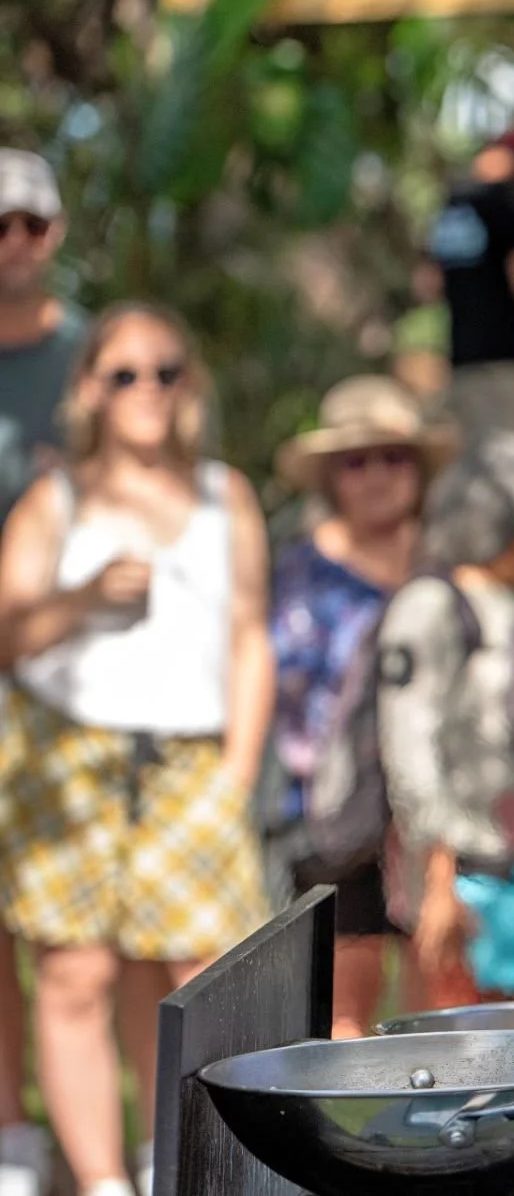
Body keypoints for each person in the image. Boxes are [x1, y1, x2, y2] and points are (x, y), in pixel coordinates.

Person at [0, 303, 273, 1196]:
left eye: (166, 370)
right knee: (75, 974)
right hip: (68, 759)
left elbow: (249, 640)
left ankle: (179, 1162)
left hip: (192, 761)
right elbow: (9, 634)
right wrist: (78, 600)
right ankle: (100, 1180)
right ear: (88, 389)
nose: (148, 389)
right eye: (124, 373)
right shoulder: (57, 497)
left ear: (189, 384)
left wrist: (237, 772)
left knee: (199, 974)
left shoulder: (223, 494)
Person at [267, 376, 459, 1037]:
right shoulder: (299, 575)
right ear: (331, 477)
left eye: (394, 457)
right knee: (340, 1009)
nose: (377, 475)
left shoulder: (451, 565)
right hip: (333, 824)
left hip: (440, 823)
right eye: (356, 460)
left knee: (448, 996)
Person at [377, 432, 514, 1009]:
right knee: (454, 1040)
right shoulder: (431, 608)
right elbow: (409, 741)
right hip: (457, 864)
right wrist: (437, 873)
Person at [0, 145, 83, 1196]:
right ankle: (11, 1138)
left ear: (54, 232)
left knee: (78, 935)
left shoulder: (106, 357)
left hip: (82, 684)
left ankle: (128, 1146)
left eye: (26, 221)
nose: (10, 242)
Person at [426, 115, 514, 442]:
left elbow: (428, 283)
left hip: (460, 364)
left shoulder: (452, 203)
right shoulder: (506, 203)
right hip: (501, 362)